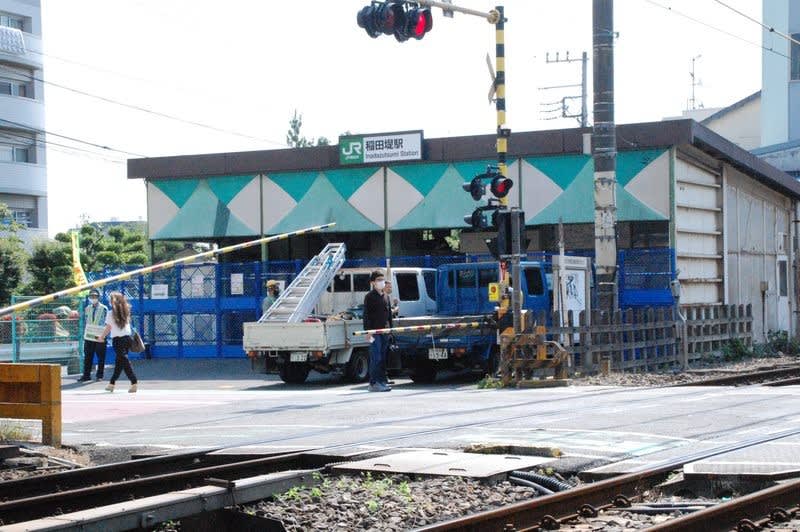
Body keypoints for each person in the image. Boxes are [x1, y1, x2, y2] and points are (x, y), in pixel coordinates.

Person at [100, 291, 138, 393]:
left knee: (124, 361)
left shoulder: (110, 313)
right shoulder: (126, 310)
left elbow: (108, 327)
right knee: (119, 362)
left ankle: (134, 381)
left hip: (117, 340)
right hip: (127, 338)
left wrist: (102, 337)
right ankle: (111, 383)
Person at [363, 270, 391, 392]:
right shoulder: (369, 297)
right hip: (374, 332)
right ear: (373, 283)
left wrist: (390, 329)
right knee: (376, 357)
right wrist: (368, 331)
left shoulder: (386, 296)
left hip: (385, 331)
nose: (381, 282)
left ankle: (382, 381)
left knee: (383, 357)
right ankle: (374, 383)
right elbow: (366, 315)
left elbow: (389, 315)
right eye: (378, 280)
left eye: (382, 279)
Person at [78, 288, 108, 382]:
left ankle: (99, 376)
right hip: (89, 336)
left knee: (100, 356)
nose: (93, 298)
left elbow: (107, 322)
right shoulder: (87, 308)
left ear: (98, 297)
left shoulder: (104, 308)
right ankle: (86, 375)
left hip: (100, 336)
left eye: (95, 296)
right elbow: (86, 320)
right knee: (88, 356)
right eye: (91, 296)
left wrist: (104, 335)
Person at [382, 279, 399, 386]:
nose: (390, 289)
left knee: (385, 355)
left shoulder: (387, 298)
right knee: (380, 355)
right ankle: (381, 378)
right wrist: (395, 309)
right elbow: (384, 313)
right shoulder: (376, 297)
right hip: (380, 331)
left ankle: (385, 377)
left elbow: (388, 315)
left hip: (387, 331)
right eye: (388, 287)